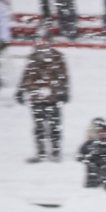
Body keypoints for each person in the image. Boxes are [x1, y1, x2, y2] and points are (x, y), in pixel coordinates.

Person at [17, 34, 69, 163]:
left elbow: (63, 76)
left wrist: (64, 91)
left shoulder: (57, 57)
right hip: (36, 96)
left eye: (43, 41)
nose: (41, 44)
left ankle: (55, 151)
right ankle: (41, 152)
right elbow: (26, 74)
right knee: (39, 126)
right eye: (38, 41)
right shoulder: (33, 57)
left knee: (54, 126)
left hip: (53, 96)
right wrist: (21, 90)